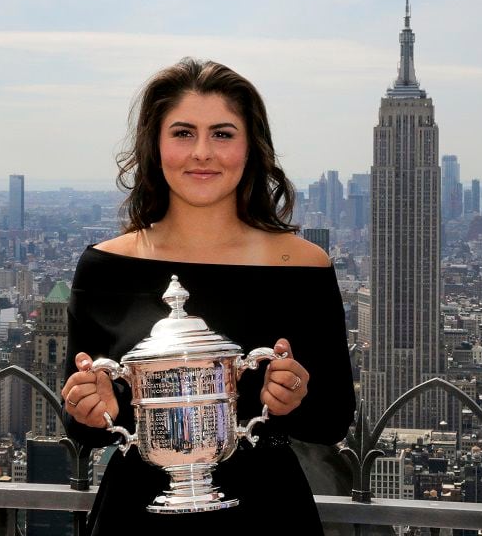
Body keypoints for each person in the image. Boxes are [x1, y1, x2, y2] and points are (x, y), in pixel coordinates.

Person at [60, 57, 356, 535]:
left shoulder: (301, 266)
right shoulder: (106, 267)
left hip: (266, 514)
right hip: (138, 516)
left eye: (222, 133)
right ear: (155, 147)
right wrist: (91, 404)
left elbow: (331, 421)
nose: (202, 152)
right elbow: (81, 429)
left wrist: (292, 397)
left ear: (250, 147)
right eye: (182, 133)